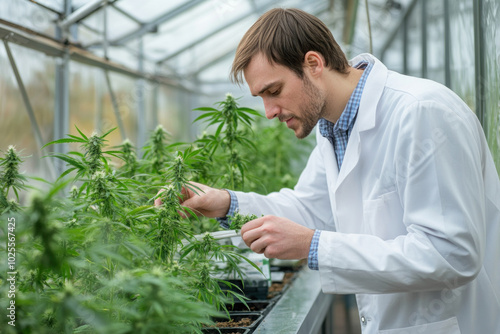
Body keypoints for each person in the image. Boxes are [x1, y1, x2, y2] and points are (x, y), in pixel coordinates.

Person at [158, 8, 500, 334]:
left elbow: (451, 253)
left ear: (313, 63)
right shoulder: (333, 129)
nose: (268, 111)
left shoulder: (421, 112)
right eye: (260, 97)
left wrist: (314, 246)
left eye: (273, 91)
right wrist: (225, 203)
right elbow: (309, 209)